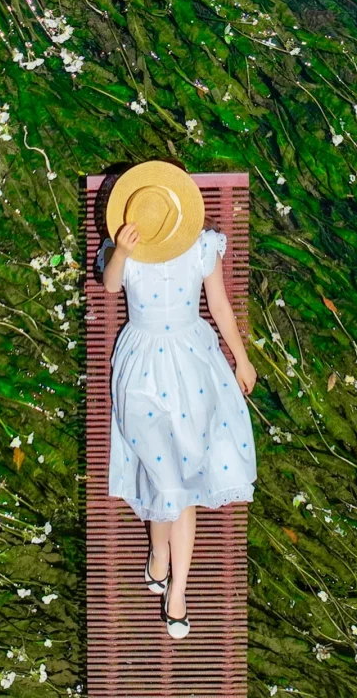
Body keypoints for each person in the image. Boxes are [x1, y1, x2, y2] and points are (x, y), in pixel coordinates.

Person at [96, 161, 257, 641]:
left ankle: (176, 587)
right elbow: (109, 285)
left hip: (192, 363)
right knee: (166, 476)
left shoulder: (202, 248)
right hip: (141, 367)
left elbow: (220, 305)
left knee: (181, 481)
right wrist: (122, 251)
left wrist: (241, 359)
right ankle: (160, 553)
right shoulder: (126, 251)